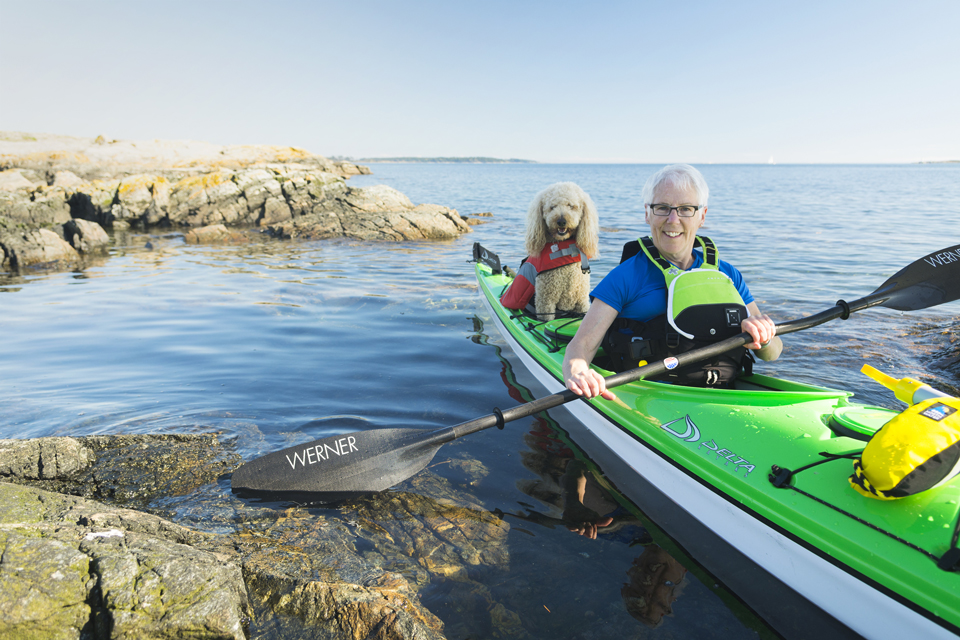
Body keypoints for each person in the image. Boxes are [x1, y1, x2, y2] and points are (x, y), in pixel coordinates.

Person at [563, 164, 782, 400]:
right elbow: (580, 347)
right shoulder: (626, 276)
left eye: (686, 209)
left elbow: (772, 353)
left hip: (724, 395)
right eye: (662, 208)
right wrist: (579, 372)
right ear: (647, 213)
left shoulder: (728, 275)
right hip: (652, 397)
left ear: (702, 215)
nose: (673, 219)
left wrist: (765, 336)